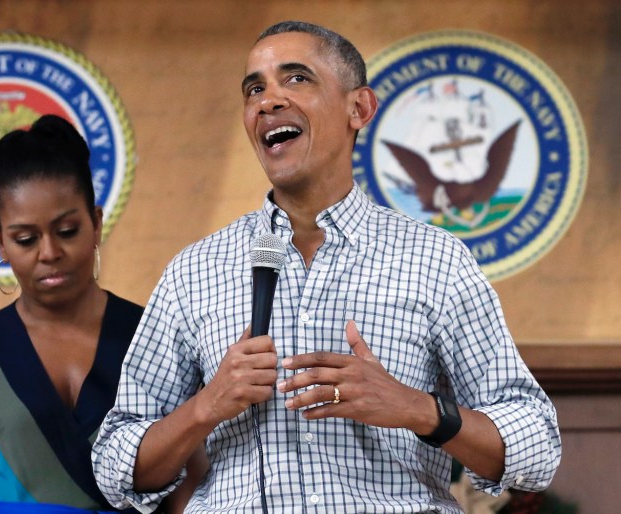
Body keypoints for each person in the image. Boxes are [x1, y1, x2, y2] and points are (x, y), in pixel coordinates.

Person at [91, 21, 561, 513]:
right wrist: (205, 407)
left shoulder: (435, 260)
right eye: (255, 89)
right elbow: (116, 468)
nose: (268, 101)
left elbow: (537, 447)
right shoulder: (195, 271)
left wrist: (416, 409)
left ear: (359, 108)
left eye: (296, 79)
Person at [0, 114, 171, 514]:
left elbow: (196, 491)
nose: (49, 253)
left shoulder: (155, 337)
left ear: (96, 223)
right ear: (0, 241)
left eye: (67, 231)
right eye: (25, 239)